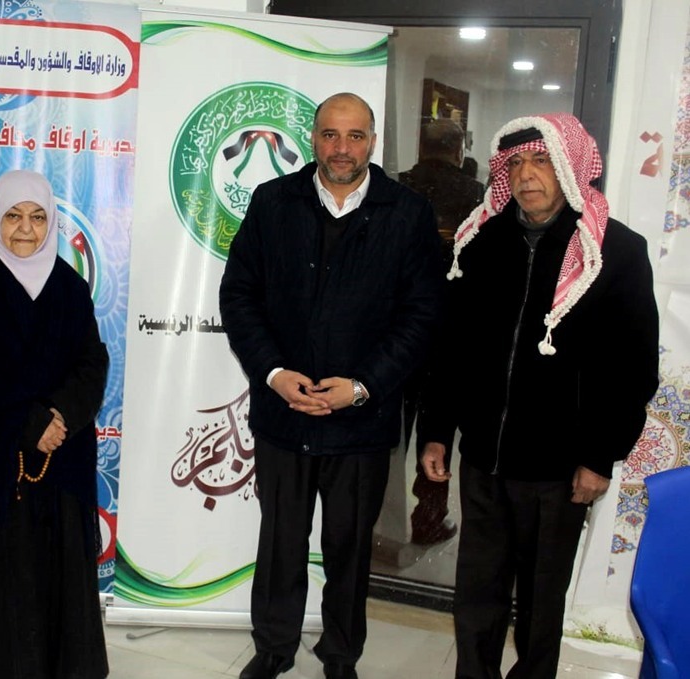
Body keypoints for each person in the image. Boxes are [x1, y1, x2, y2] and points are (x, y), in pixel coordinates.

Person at [420, 113, 659, 679]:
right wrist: (436, 430)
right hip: (485, 459)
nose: (527, 175)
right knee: (477, 595)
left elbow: (633, 369)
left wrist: (599, 456)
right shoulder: (480, 242)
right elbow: (452, 349)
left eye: (542, 161)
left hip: (559, 469)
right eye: (517, 163)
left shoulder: (614, 251)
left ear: (572, 166)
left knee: (540, 604)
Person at [219, 92, 443, 679]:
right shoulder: (273, 202)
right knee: (280, 543)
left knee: (350, 548)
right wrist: (274, 374)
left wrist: (363, 386)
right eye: (330, 135)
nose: (342, 148)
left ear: (373, 142)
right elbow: (239, 296)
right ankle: (273, 648)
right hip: (284, 413)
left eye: (355, 136)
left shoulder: (408, 213)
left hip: (361, 420)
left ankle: (341, 654)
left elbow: (421, 316)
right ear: (313, 138)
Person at [0, 169, 110, 678]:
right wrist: (31, 423)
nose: (26, 229)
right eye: (13, 216)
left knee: (60, 588)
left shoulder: (68, 286)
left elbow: (92, 361)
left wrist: (61, 414)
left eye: (37, 217)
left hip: (61, 463)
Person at [398, 118, 485, 546]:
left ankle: (377, 515)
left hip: (397, 330)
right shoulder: (476, 194)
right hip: (449, 329)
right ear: (457, 150)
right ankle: (428, 517)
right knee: (437, 432)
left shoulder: (398, 186)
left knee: (391, 429)